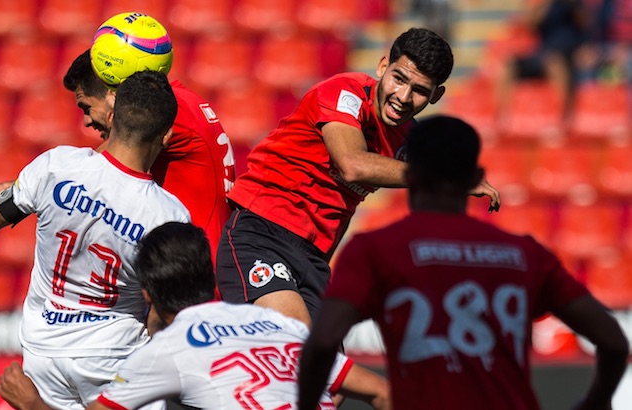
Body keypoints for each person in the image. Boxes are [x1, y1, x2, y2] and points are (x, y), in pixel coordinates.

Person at [0, 71, 189, 410]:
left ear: (112, 117)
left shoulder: (57, 165)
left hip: (43, 352)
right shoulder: (168, 216)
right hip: (114, 355)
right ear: (166, 136)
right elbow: (164, 310)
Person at [297, 115, 630, 410]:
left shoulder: (374, 250)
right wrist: (596, 401)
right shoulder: (525, 255)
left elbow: (324, 341)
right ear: (475, 178)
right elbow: (613, 341)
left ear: (408, 173)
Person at [215, 27, 501, 328]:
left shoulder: (410, 140)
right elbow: (353, 165)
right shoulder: (344, 92)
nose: (403, 97)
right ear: (382, 67)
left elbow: (346, 202)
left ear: (435, 96)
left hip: (313, 259)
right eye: (399, 78)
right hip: (262, 234)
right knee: (297, 346)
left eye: (419, 90)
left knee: (323, 367)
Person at [0, 222, 392, 410]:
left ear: (148, 295)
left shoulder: (168, 348)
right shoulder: (280, 324)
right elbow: (382, 391)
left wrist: (32, 405)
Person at [0, 46, 235, 259]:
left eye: (86, 107)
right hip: (196, 268)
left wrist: (11, 192)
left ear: (112, 95)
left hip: (191, 280)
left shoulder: (167, 113)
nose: (86, 121)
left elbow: (86, 174)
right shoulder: (180, 102)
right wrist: (9, 188)